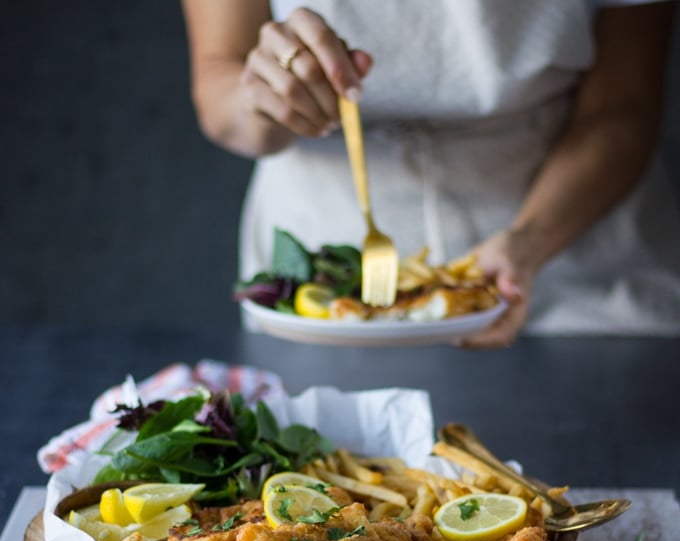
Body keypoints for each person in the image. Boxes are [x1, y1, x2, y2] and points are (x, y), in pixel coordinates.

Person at [181, 0, 680, 347]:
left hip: (576, 262)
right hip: (323, 279)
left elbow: (623, 106)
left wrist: (530, 241)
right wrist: (265, 96)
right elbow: (218, 89)